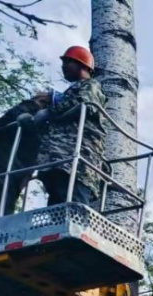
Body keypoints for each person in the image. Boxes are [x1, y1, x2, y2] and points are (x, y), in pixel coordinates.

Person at [26, 45, 107, 209]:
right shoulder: (73, 90)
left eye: (68, 62)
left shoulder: (91, 86)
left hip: (77, 163)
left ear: (82, 65)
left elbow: (84, 103)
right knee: (56, 207)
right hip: (58, 160)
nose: (63, 67)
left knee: (74, 208)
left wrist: (50, 108)